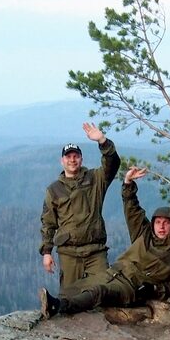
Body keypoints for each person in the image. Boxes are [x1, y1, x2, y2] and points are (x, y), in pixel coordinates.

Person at [40, 167, 170, 316]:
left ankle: (59, 307)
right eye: (158, 222)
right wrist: (128, 183)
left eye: (166, 223)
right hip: (115, 272)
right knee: (75, 287)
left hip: (133, 288)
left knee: (99, 292)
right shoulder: (144, 235)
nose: (161, 227)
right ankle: (56, 306)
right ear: (153, 224)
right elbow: (132, 208)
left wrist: (154, 289)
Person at [40, 122, 120, 289]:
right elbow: (48, 223)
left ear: (81, 159)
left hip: (95, 251)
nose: (72, 160)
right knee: (71, 298)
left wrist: (102, 141)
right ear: (62, 161)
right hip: (68, 253)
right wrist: (47, 252)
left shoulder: (96, 178)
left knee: (104, 292)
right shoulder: (54, 189)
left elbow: (112, 164)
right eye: (68, 157)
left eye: (75, 156)